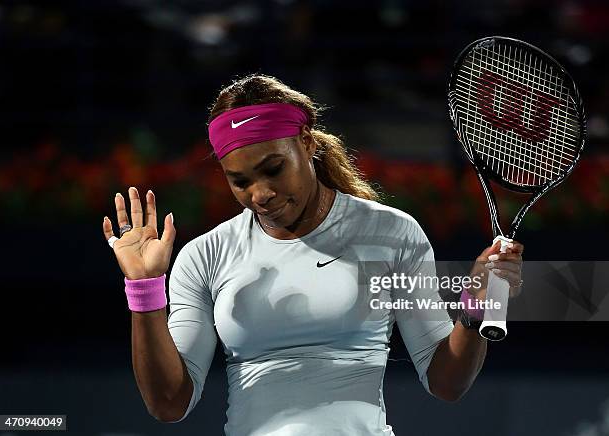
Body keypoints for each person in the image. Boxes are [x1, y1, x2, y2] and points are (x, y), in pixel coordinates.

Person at [102, 74, 524, 436]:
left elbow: (446, 382)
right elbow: (169, 404)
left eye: (273, 169)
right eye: (240, 181)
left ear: (305, 142)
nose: (260, 194)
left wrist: (476, 308)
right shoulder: (205, 256)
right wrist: (144, 291)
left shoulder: (391, 233)